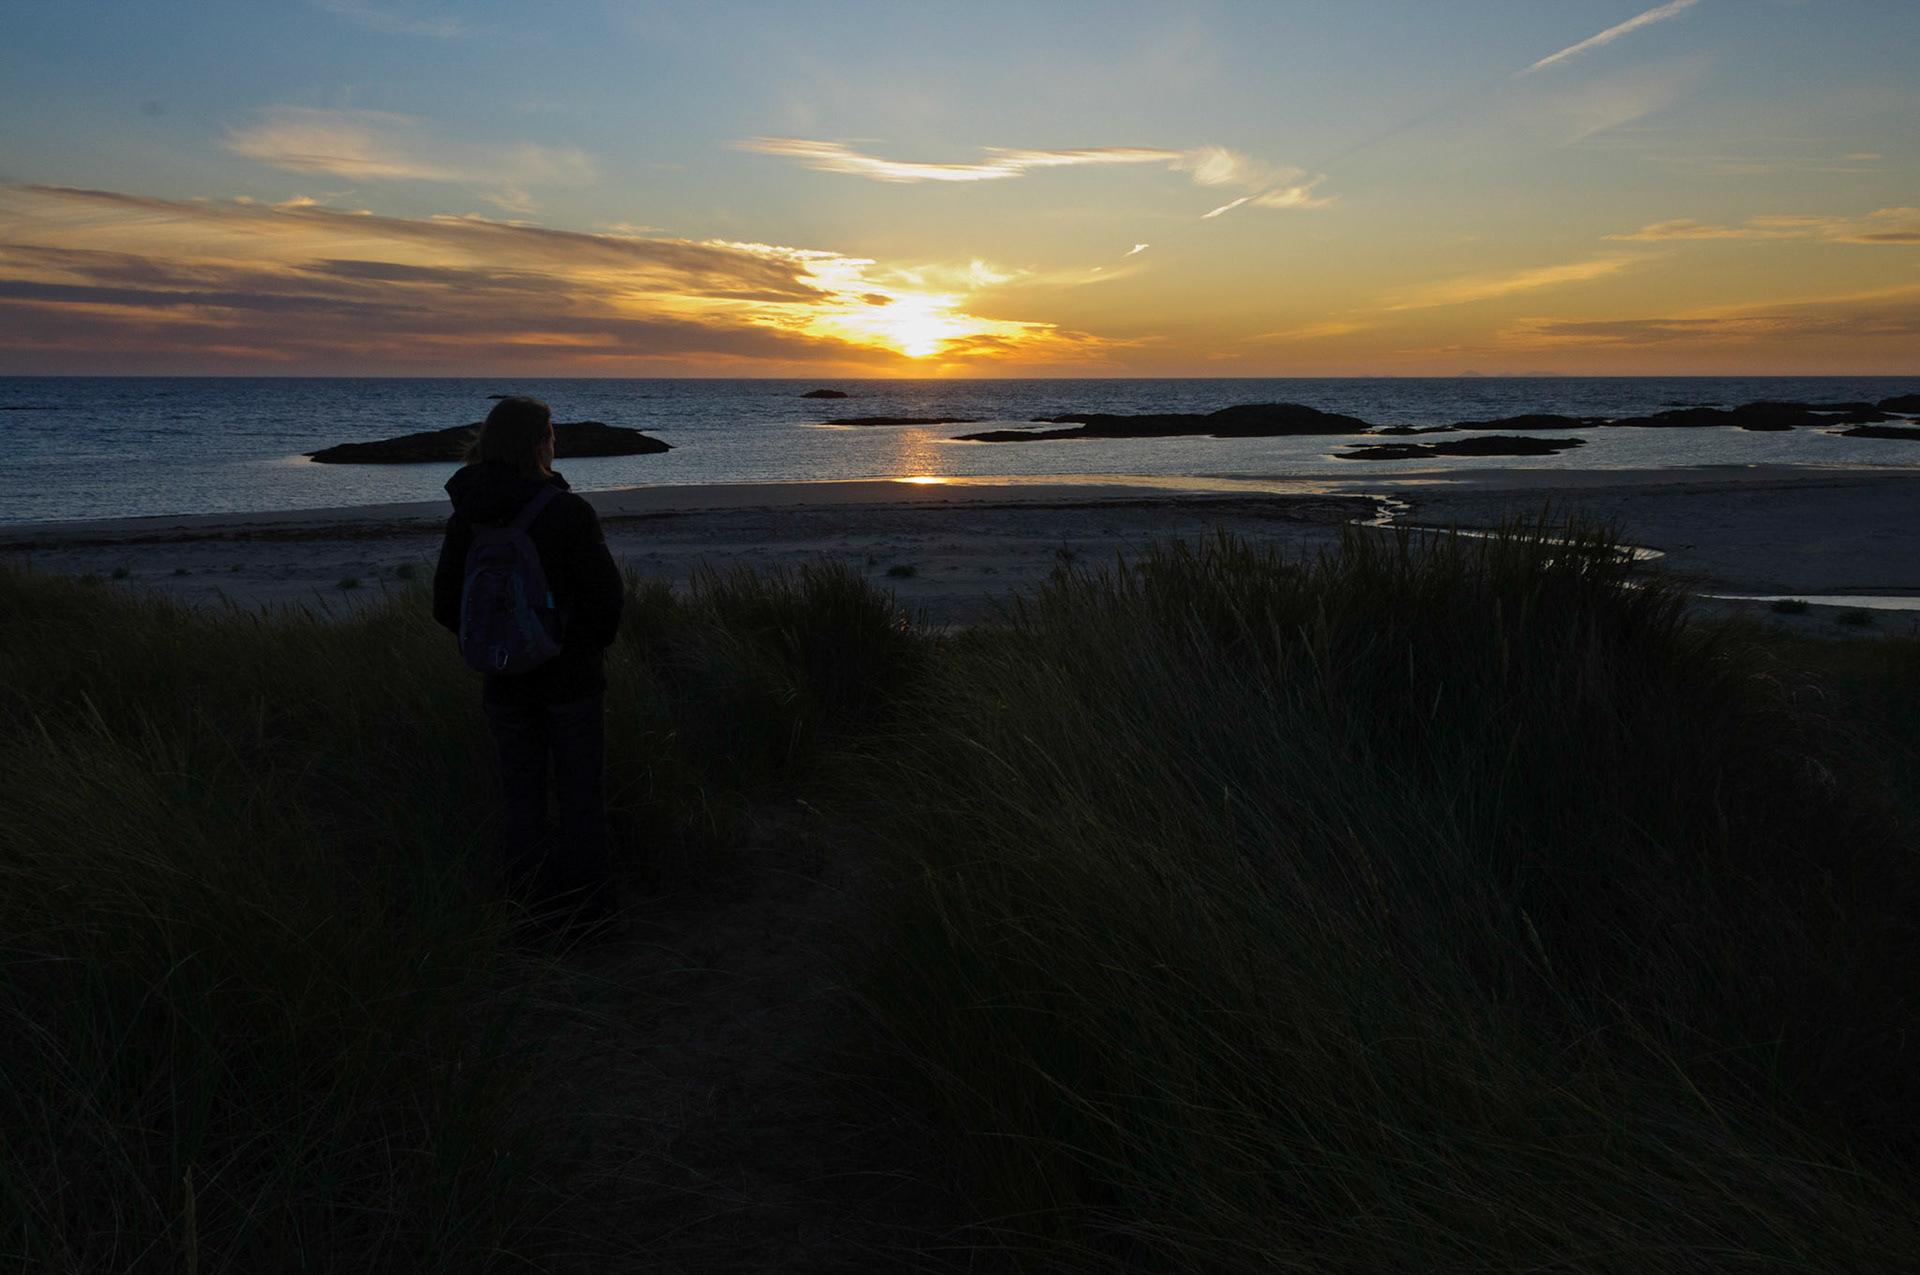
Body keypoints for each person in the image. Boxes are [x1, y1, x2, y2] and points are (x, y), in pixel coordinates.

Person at [433, 396, 625, 933]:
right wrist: (574, 648)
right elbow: (606, 600)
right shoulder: (566, 511)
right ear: (541, 442)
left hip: (504, 684)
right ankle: (589, 920)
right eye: (551, 434)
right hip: (572, 683)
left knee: (522, 802)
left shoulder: (466, 516)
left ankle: (529, 916)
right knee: (581, 799)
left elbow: (446, 606)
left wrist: (500, 649)